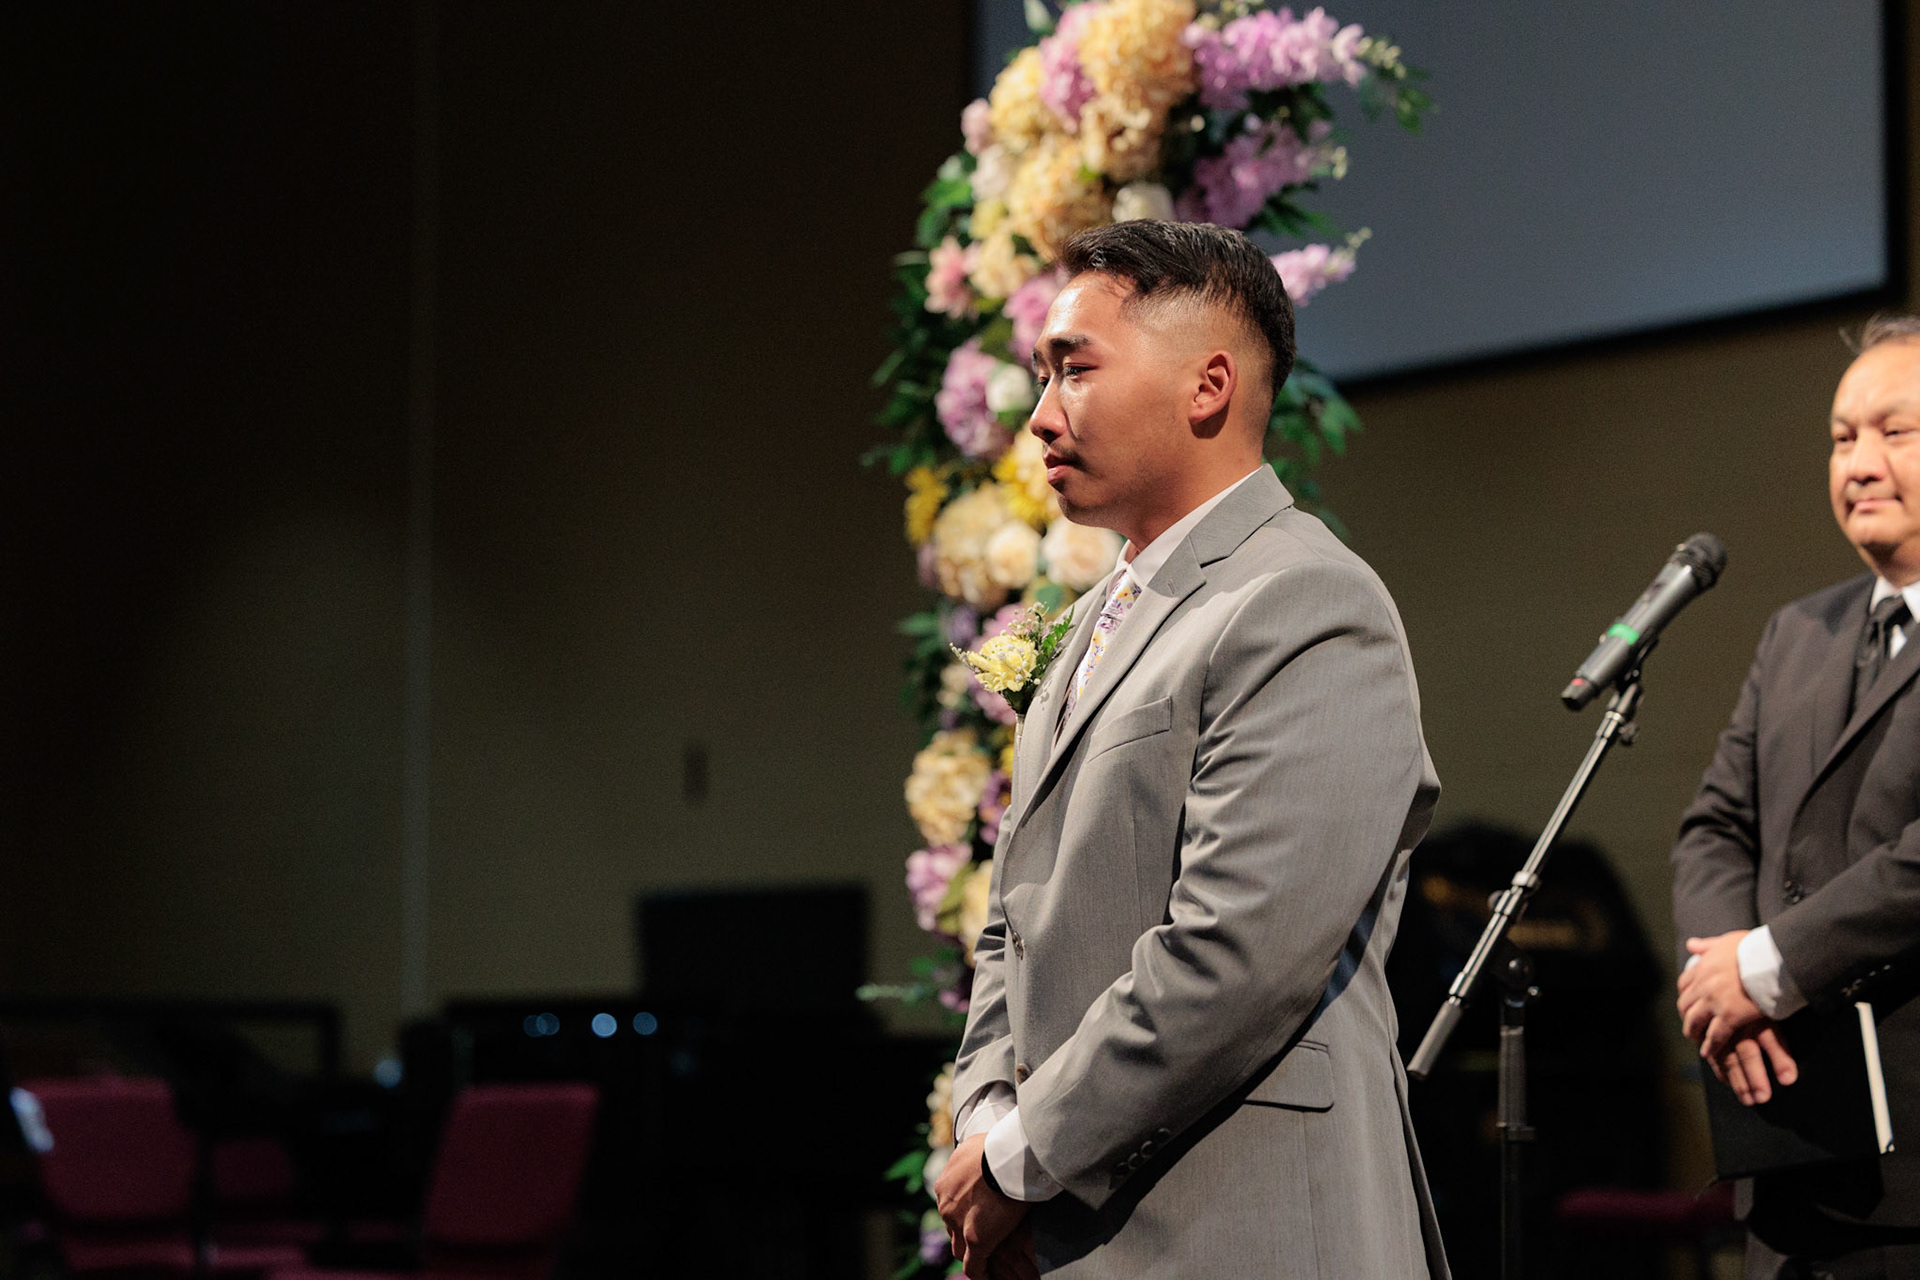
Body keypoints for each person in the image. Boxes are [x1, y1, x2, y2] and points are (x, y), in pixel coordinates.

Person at [932, 220, 1449, 1279]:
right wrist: (983, 1113)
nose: (1041, 415)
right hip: (1074, 1225)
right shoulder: (1087, 624)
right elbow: (1013, 920)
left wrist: (1025, 1155)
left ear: (1208, 386)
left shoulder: (1306, 600)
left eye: (1075, 369)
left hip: (1243, 1230)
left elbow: (1234, 952)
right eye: (1043, 375)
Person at [1673, 315, 1920, 1277]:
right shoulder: (1797, 634)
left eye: (1894, 432)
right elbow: (1716, 824)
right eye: (1841, 437)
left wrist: (1770, 965)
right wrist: (1722, 986)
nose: (1859, 463)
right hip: (1784, 1147)